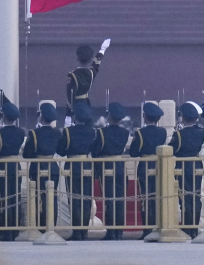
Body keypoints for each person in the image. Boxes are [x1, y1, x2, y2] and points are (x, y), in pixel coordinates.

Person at [91, 102, 130, 241]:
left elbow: (95, 151)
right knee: (120, 200)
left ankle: (111, 231)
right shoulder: (125, 132)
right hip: (120, 167)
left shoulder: (102, 132)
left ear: (109, 116)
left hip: (106, 166)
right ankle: (119, 231)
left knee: (109, 199)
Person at [129, 102, 167, 240]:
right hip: (158, 165)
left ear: (145, 116)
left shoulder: (140, 133)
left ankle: (147, 230)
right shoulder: (163, 132)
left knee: (145, 198)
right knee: (157, 197)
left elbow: (133, 152)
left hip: (144, 166)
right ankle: (158, 226)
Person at [58, 102, 96, 241]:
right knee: (86, 198)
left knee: (73, 198)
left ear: (75, 116)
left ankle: (77, 232)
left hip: (73, 165)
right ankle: (84, 231)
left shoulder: (68, 132)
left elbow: (61, 151)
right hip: (86, 165)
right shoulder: (92, 131)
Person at [22, 103, 61, 234]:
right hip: (53, 166)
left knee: (38, 197)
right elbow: (60, 150)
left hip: (38, 166)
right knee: (52, 198)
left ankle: (40, 226)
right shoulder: (57, 133)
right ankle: (51, 227)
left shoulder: (34, 133)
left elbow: (27, 153)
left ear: (42, 116)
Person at [169, 101, 204, 239]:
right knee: (195, 195)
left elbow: (172, 149)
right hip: (196, 165)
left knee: (184, 197)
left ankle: (187, 227)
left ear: (183, 118)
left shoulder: (179, 134)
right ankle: (194, 228)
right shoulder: (202, 132)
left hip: (183, 165)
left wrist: (178, 131)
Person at [0, 103, 25, 241]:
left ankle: (5, 232)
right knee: (15, 197)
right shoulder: (21, 132)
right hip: (16, 166)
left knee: (4, 199)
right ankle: (14, 230)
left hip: (3, 166)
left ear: (3, 116)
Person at [65, 39, 111, 127]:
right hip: (86, 104)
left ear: (78, 58)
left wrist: (68, 115)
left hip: (76, 106)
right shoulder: (91, 73)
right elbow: (96, 63)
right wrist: (102, 49)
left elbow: (70, 98)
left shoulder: (72, 75)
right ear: (90, 60)